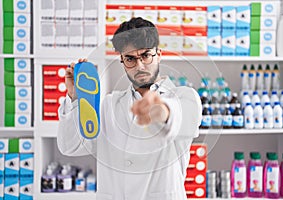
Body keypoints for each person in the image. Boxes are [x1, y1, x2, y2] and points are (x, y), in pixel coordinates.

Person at [57, 17, 202, 200]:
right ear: (122, 60)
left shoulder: (184, 97)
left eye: (146, 55)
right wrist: (75, 97)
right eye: (130, 59)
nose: (139, 66)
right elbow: (70, 147)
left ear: (159, 54)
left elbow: (178, 118)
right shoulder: (108, 105)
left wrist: (159, 111)